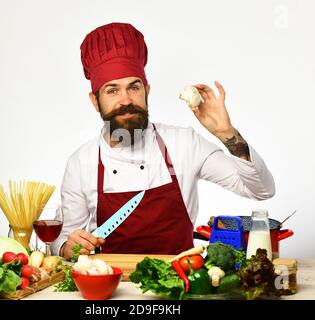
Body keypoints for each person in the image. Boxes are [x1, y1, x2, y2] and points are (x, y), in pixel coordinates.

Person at [52, 22, 275, 259]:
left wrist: (226, 134)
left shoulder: (183, 143)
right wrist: (69, 246)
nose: (126, 100)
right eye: (112, 90)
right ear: (95, 101)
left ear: (147, 89)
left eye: (134, 87)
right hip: (112, 289)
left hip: (180, 286)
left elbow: (261, 190)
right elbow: (65, 242)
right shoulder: (81, 162)